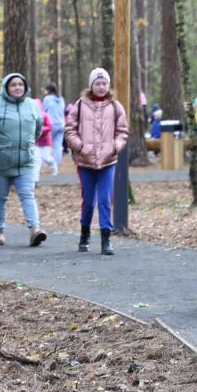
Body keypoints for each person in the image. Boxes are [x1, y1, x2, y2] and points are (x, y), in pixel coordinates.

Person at [65, 67, 128, 255]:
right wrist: (80, 146)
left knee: (104, 200)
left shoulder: (115, 106)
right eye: (98, 83)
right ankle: (84, 235)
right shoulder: (80, 105)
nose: (101, 87)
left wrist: (115, 146)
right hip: (85, 161)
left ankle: (106, 239)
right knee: (89, 201)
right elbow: (70, 129)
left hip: (108, 161)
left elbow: (122, 132)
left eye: (104, 84)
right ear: (91, 85)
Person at [0, 72, 47, 247]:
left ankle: (35, 230)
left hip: (25, 160)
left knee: (28, 195)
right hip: (0, 160)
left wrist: (27, 145)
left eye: (20, 84)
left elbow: (38, 129)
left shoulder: (32, 105)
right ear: (6, 87)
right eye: (13, 85)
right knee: (0, 197)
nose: (17, 87)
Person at [41, 84, 66, 175]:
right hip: (61, 124)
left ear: (48, 90)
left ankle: (43, 165)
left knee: (45, 145)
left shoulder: (47, 99)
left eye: (45, 90)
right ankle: (56, 164)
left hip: (51, 124)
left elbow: (43, 111)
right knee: (58, 146)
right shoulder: (61, 99)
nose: (44, 92)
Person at [35, 108, 56, 184]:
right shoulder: (31, 115)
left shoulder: (45, 116)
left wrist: (41, 129)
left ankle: (54, 166)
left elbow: (50, 126)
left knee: (46, 158)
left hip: (45, 141)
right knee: (37, 160)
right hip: (35, 142)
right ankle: (36, 177)